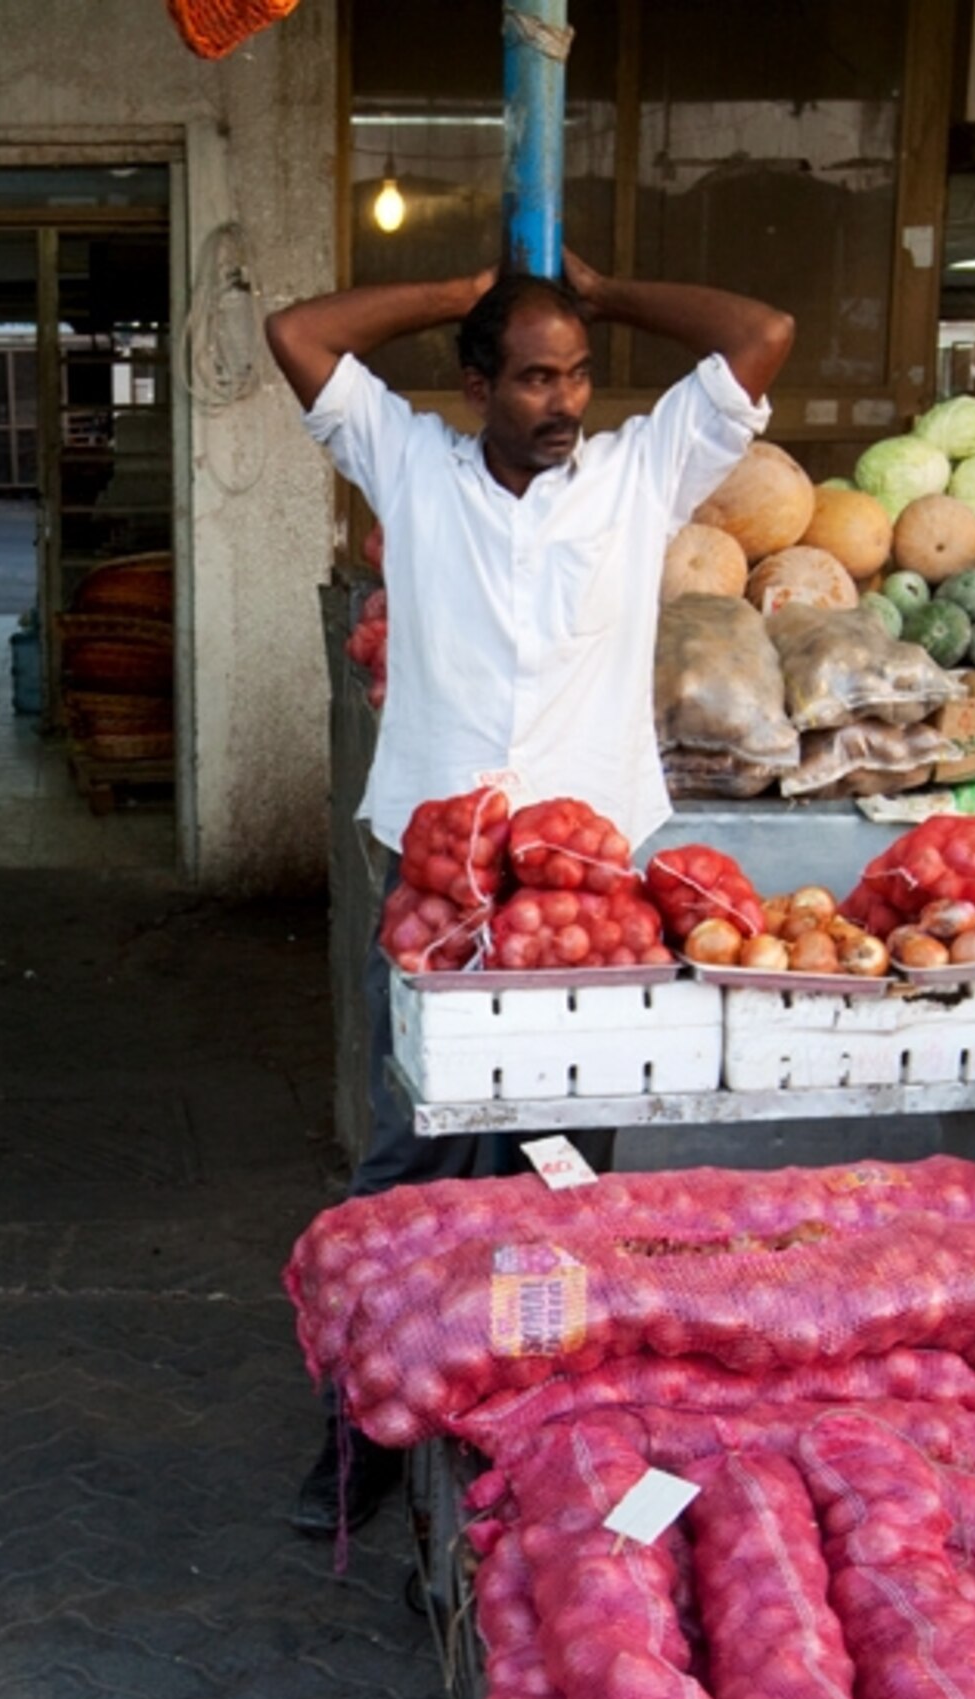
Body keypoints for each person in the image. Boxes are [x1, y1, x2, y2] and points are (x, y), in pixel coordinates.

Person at [267, 253, 795, 1537]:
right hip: (442, 877)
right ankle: (366, 1428)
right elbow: (298, 332)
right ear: (476, 386)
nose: (563, 400)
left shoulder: (637, 473)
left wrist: (611, 293)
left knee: (561, 1171)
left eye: (576, 374)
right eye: (535, 376)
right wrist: (458, 287)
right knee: (415, 1158)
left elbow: (762, 323)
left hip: (595, 887)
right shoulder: (412, 466)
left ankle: (525, 1429)